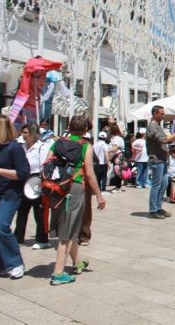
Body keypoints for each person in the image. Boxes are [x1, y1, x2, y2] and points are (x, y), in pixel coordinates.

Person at [48, 116, 106, 285]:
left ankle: (77, 262)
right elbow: (89, 172)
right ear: (85, 130)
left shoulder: (58, 143)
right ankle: (58, 272)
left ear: (69, 126)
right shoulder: (85, 145)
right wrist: (99, 195)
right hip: (75, 186)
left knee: (70, 226)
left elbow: (47, 162)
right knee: (68, 230)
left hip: (56, 187)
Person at [0, 116, 30, 279]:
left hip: (10, 194)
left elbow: (23, 173)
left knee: (1, 226)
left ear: (0, 129)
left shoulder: (14, 148)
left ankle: (16, 263)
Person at [14, 123, 52, 250]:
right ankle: (18, 238)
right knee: (22, 210)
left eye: (26, 133)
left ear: (33, 134)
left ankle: (42, 239)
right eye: (23, 132)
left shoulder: (42, 147)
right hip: (23, 178)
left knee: (39, 211)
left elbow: (45, 165)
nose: (24, 135)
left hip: (37, 178)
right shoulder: (21, 147)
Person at [146, 105, 175, 219]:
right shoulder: (152, 127)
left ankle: (158, 207)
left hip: (162, 159)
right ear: (155, 114)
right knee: (156, 186)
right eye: (161, 113)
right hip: (156, 160)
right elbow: (163, 140)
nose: (163, 115)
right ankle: (153, 210)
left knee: (164, 184)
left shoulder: (158, 126)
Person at [107, 124, 126, 192]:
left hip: (118, 156)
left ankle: (118, 187)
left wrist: (107, 151)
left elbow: (116, 148)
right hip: (116, 156)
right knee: (117, 171)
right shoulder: (116, 138)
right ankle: (118, 186)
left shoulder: (117, 138)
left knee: (118, 171)